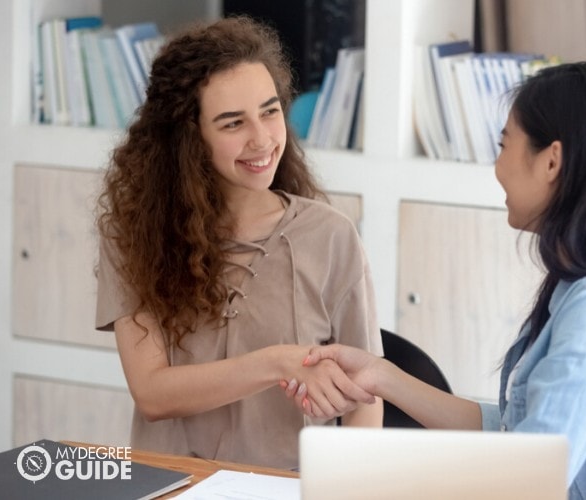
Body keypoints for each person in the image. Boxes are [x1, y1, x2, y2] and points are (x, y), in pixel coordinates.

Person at [287, 62, 586, 498]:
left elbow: (527, 479)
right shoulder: (584, 288)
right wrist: (383, 378)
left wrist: (371, 479)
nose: (497, 167)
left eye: (503, 144)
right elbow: (518, 438)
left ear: (551, 161)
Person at [95, 16, 380, 470]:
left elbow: (365, 394)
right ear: (190, 138)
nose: (263, 138)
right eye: (233, 124)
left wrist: (348, 488)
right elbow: (152, 393)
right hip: (172, 482)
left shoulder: (331, 235)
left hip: (291, 486)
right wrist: (276, 363)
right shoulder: (134, 237)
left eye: (270, 111)